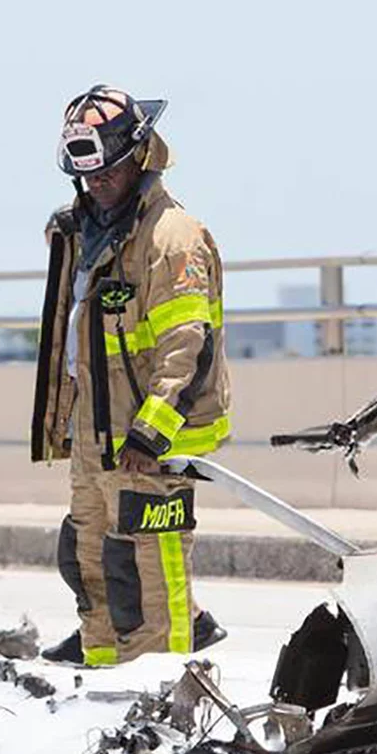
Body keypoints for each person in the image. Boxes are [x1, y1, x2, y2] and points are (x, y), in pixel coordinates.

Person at [32, 85, 231, 666]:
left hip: (147, 439)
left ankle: (164, 689)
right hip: (98, 433)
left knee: (144, 576)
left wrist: (153, 432)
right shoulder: (86, 235)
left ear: (141, 156)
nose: (98, 184)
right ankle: (102, 688)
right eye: (88, 175)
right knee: (89, 563)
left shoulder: (171, 238)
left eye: (110, 173)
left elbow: (188, 345)